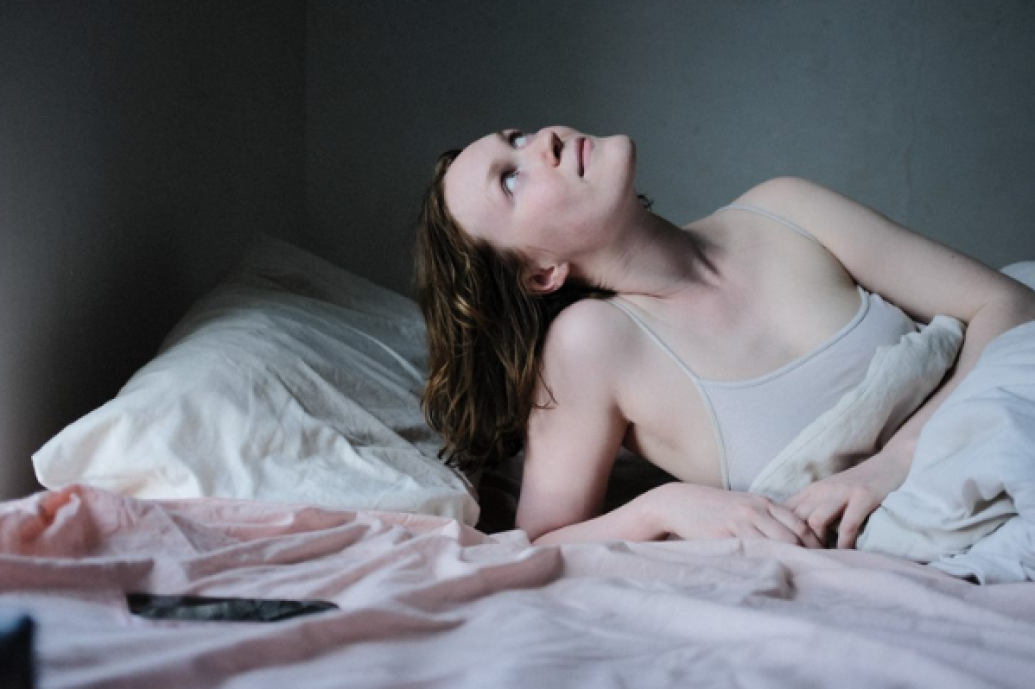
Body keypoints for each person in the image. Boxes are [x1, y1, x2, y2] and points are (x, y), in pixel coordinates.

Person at [415, 125, 1035, 550]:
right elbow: (541, 541)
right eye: (511, 179)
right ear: (541, 272)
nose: (540, 142)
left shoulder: (784, 206)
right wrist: (664, 507)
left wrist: (890, 465)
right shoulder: (593, 345)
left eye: (516, 138)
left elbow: (1007, 303)